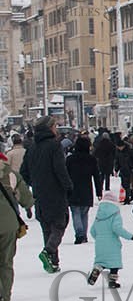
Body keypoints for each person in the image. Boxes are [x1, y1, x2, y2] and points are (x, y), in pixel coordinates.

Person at [20, 117, 71, 273]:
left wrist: (35, 182)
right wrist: (68, 186)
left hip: (39, 193)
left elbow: (23, 172)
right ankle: (48, 252)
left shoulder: (31, 147)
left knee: (46, 227)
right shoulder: (54, 146)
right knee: (60, 223)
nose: (56, 129)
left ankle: (53, 262)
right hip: (55, 192)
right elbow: (60, 169)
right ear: (49, 128)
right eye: (55, 126)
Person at [0, 149, 33, 301]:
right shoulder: (10, 174)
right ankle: (4, 297)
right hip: (8, 224)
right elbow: (26, 198)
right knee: (6, 262)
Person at [88, 189, 133, 289]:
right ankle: (112, 282)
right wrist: (131, 236)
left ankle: (97, 270)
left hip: (100, 244)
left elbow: (92, 230)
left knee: (100, 262)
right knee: (114, 264)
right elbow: (117, 228)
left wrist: (99, 238)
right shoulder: (115, 214)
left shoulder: (99, 215)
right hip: (112, 244)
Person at [65, 135, 97, 245]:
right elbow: (96, 175)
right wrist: (99, 191)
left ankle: (79, 234)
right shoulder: (91, 159)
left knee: (76, 212)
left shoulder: (70, 159)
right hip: (87, 189)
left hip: (73, 189)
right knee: (84, 213)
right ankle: (84, 234)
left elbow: (65, 174)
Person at [92, 128, 116, 197]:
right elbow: (114, 152)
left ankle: (101, 186)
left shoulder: (100, 144)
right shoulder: (111, 144)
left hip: (101, 161)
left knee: (101, 175)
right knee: (107, 175)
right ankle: (107, 187)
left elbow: (96, 153)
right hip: (109, 161)